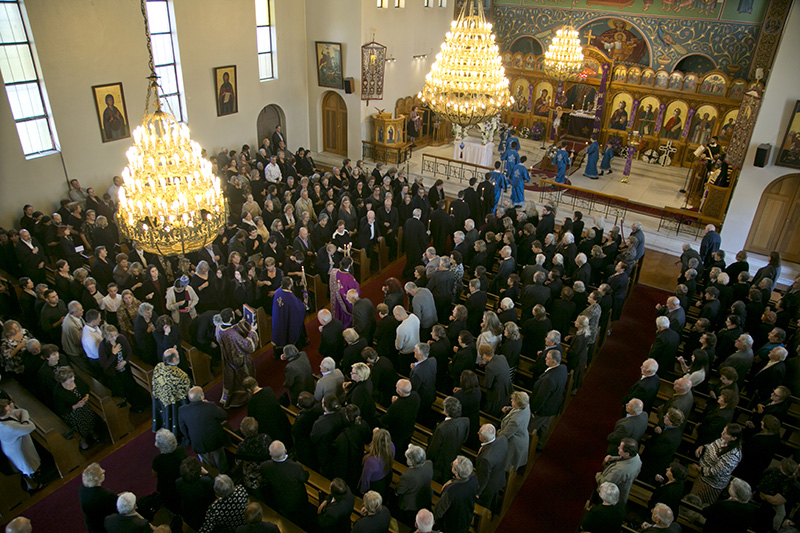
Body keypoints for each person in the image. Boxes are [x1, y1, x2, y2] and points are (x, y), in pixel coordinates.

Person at [260, 440, 312, 527]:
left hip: (280, 499)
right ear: (285, 451)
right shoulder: (295, 467)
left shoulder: (265, 466)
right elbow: (304, 478)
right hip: (297, 500)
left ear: (270, 455)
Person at [179, 386, 229, 474]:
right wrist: (208, 403)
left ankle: (211, 476)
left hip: (197, 442)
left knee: (206, 463)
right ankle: (224, 476)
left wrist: (190, 437)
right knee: (220, 461)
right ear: (202, 396)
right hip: (214, 442)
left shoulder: (182, 410)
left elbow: (183, 428)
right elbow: (224, 415)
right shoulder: (210, 406)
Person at [690, 423, 743, 504]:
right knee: (693, 497)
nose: (722, 433)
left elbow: (716, 471)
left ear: (734, 438)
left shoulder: (733, 455)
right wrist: (703, 447)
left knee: (699, 502)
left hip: (710, 484)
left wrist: (698, 468)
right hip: (702, 476)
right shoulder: (723, 439)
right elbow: (712, 446)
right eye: (723, 431)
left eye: (726, 433)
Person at [215, 309, 259, 408]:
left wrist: (240, 323)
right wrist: (252, 331)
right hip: (239, 360)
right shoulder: (232, 334)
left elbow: (230, 330)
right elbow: (248, 346)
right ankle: (244, 396)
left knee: (233, 379)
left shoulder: (219, 327)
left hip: (228, 358)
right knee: (244, 378)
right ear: (231, 318)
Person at [53, 366, 99, 450]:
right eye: (70, 378)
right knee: (78, 425)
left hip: (84, 407)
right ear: (63, 381)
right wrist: (75, 406)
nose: (73, 379)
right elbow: (61, 410)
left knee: (89, 418)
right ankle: (82, 440)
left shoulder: (76, 380)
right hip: (72, 413)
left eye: (73, 376)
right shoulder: (58, 392)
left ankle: (92, 432)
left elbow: (86, 387)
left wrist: (87, 395)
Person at [151, 347, 191, 437]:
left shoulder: (158, 367)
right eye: (177, 355)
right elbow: (188, 392)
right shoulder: (180, 376)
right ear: (173, 359)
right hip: (174, 405)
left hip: (161, 400)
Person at [433, 456, 479, 533]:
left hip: (451, 525)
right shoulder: (474, 479)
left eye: (452, 465)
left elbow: (438, 511)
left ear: (456, 473)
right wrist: (452, 481)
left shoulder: (451, 491)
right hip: (466, 518)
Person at [244, 377, 292, 447]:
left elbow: (253, 420)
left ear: (248, 390)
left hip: (269, 432)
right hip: (282, 423)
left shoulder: (251, 403)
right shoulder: (268, 390)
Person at [595, 438, 642, 505]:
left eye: (620, 448)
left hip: (610, 496)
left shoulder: (620, 470)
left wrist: (598, 475)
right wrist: (612, 458)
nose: (618, 447)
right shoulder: (636, 457)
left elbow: (605, 482)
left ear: (627, 454)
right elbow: (624, 460)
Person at [152, 429, 187, 513]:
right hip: (183, 485)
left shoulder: (157, 460)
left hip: (167, 489)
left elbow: (155, 474)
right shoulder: (181, 451)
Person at [79, 463, 118, 533]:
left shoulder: (82, 489)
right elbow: (117, 508)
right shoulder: (105, 495)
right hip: (104, 526)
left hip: (92, 526)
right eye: (102, 472)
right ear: (98, 479)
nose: (104, 471)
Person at [498, 391, 530, 472]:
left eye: (513, 400)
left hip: (514, 442)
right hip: (522, 435)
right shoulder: (526, 406)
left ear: (518, 404)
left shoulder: (516, 421)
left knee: (508, 466)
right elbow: (519, 410)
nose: (511, 400)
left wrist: (496, 434)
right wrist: (510, 408)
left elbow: (505, 435)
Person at [271, 277, 306, 351]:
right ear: (289, 285)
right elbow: (298, 308)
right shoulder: (289, 296)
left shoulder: (278, 291)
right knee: (297, 324)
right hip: (286, 318)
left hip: (279, 317)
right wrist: (304, 304)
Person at [329, 257, 360, 329]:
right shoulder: (350, 278)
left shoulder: (334, 272)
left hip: (336, 301)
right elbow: (355, 291)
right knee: (345, 318)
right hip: (345, 304)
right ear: (349, 265)